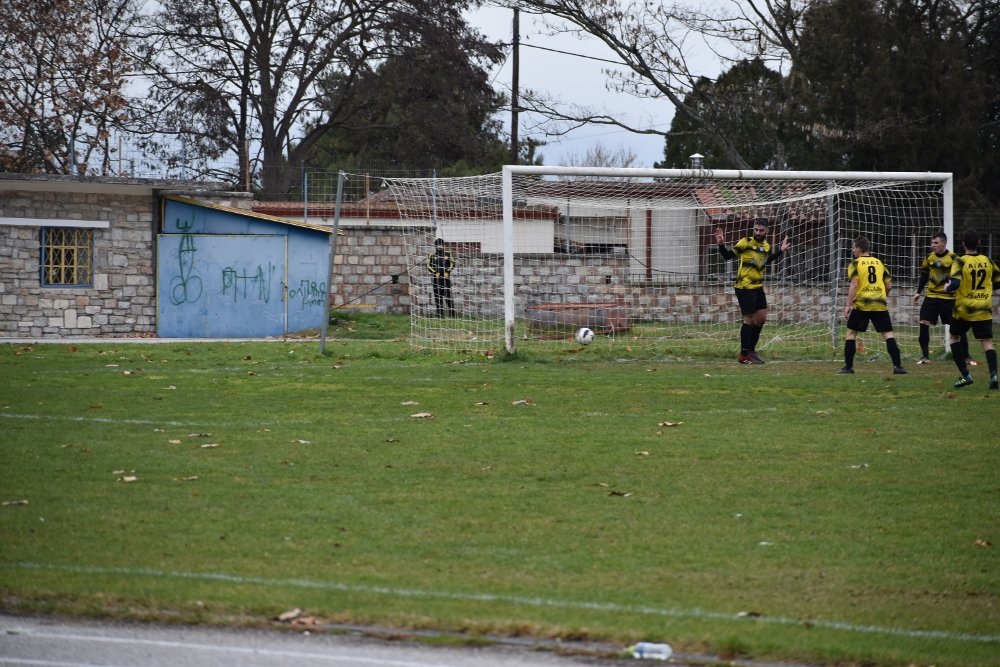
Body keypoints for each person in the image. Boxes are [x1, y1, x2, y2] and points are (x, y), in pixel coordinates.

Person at [715, 220, 790, 364]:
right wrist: (721, 244)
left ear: (766, 231)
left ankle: (751, 350)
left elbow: (765, 261)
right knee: (749, 319)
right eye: (756, 229)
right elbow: (727, 256)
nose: (757, 233)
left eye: (761, 230)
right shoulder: (745, 242)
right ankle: (744, 356)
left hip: (758, 287)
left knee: (761, 318)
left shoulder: (767, 246)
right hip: (744, 287)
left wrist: (780, 251)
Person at [838, 236, 906, 375]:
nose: (852, 250)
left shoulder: (855, 264)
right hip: (879, 303)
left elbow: (854, 284)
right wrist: (882, 296)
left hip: (862, 303)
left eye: (853, 247)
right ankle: (898, 366)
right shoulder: (879, 263)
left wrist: (848, 305)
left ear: (859, 248)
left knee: (851, 333)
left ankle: (848, 367)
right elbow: (889, 285)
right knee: (887, 333)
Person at [943, 229, 999, 389]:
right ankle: (994, 375)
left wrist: (948, 287)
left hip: (964, 310)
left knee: (954, 337)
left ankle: (965, 375)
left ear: (962, 244)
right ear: (979, 243)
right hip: (983, 309)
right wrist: (987, 288)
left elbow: (955, 284)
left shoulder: (960, 261)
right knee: (987, 342)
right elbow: (998, 281)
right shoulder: (987, 260)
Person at [911, 231, 975, 365]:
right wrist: (918, 292)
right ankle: (925, 357)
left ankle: (967, 356)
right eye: (932, 242)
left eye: (936, 242)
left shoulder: (954, 258)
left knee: (958, 327)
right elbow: (924, 275)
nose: (933, 245)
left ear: (944, 243)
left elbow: (959, 278)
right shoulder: (929, 258)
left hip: (949, 298)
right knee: (923, 322)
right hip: (932, 296)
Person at [427, 237, 456, 317]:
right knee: (438, 297)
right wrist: (435, 272)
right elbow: (428, 266)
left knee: (448, 297)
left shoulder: (448, 254)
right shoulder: (432, 255)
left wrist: (448, 271)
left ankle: (452, 314)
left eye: (441, 245)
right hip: (437, 279)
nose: (440, 246)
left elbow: (453, 263)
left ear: (443, 245)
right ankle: (440, 315)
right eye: (438, 245)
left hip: (446, 279)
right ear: (436, 246)